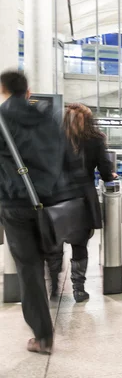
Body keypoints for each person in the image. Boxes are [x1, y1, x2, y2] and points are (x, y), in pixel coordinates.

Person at [0, 71, 84, 354]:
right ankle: (58, 282)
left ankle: (43, 336)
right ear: (29, 90)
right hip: (50, 203)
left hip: (14, 204)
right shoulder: (48, 117)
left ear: (3, 89)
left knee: (28, 268)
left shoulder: (1, 118)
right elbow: (68, 158)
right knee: (50, 251)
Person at [47, 103, 116, 303]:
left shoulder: (53, 138)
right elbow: (105, 172)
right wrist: (110, 175)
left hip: (55, 196)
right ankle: (79, 289)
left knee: (54, 244)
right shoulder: (96, 139)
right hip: (82, 199)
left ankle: (53, 287)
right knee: (80, 244)